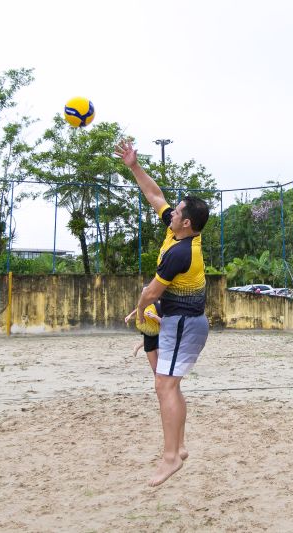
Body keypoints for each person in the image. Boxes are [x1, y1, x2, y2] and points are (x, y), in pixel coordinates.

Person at [115, 139, 210, 487]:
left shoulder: (180, 253)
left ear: (187, 223)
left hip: (184, 323)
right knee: (169, 385)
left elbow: (151, 292)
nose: (172, 212)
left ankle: (170, 457)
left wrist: (141, 310)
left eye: (178, 211)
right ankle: (179, 447)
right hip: (182, 321)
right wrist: (134, 166)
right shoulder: (178, 232)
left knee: (164, 385)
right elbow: (155, 196)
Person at [125, 296, 162, 373]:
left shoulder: (158, 306)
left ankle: (137, 347)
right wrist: (130, 315)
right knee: (155, 370)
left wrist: (154, 316)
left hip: (161, 336)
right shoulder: (144, 304)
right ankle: (137, 347)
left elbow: (167, 323)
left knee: (161, 368)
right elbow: (139, 308)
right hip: (149, 335)